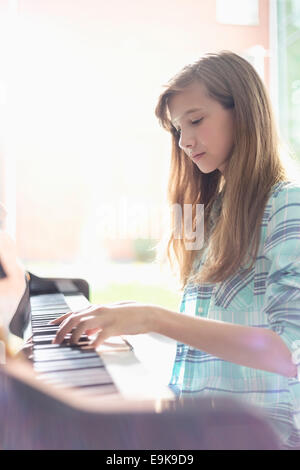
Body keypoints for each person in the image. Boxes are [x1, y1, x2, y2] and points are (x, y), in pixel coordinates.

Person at [50, 51, 300, 449]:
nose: (184, 141)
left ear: (245, 112)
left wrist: (154, 318)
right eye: (177, 130)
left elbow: (287, 353)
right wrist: (126, 322)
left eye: (196, 120)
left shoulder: (288, 203)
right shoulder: (212, 210)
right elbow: (208, 338)